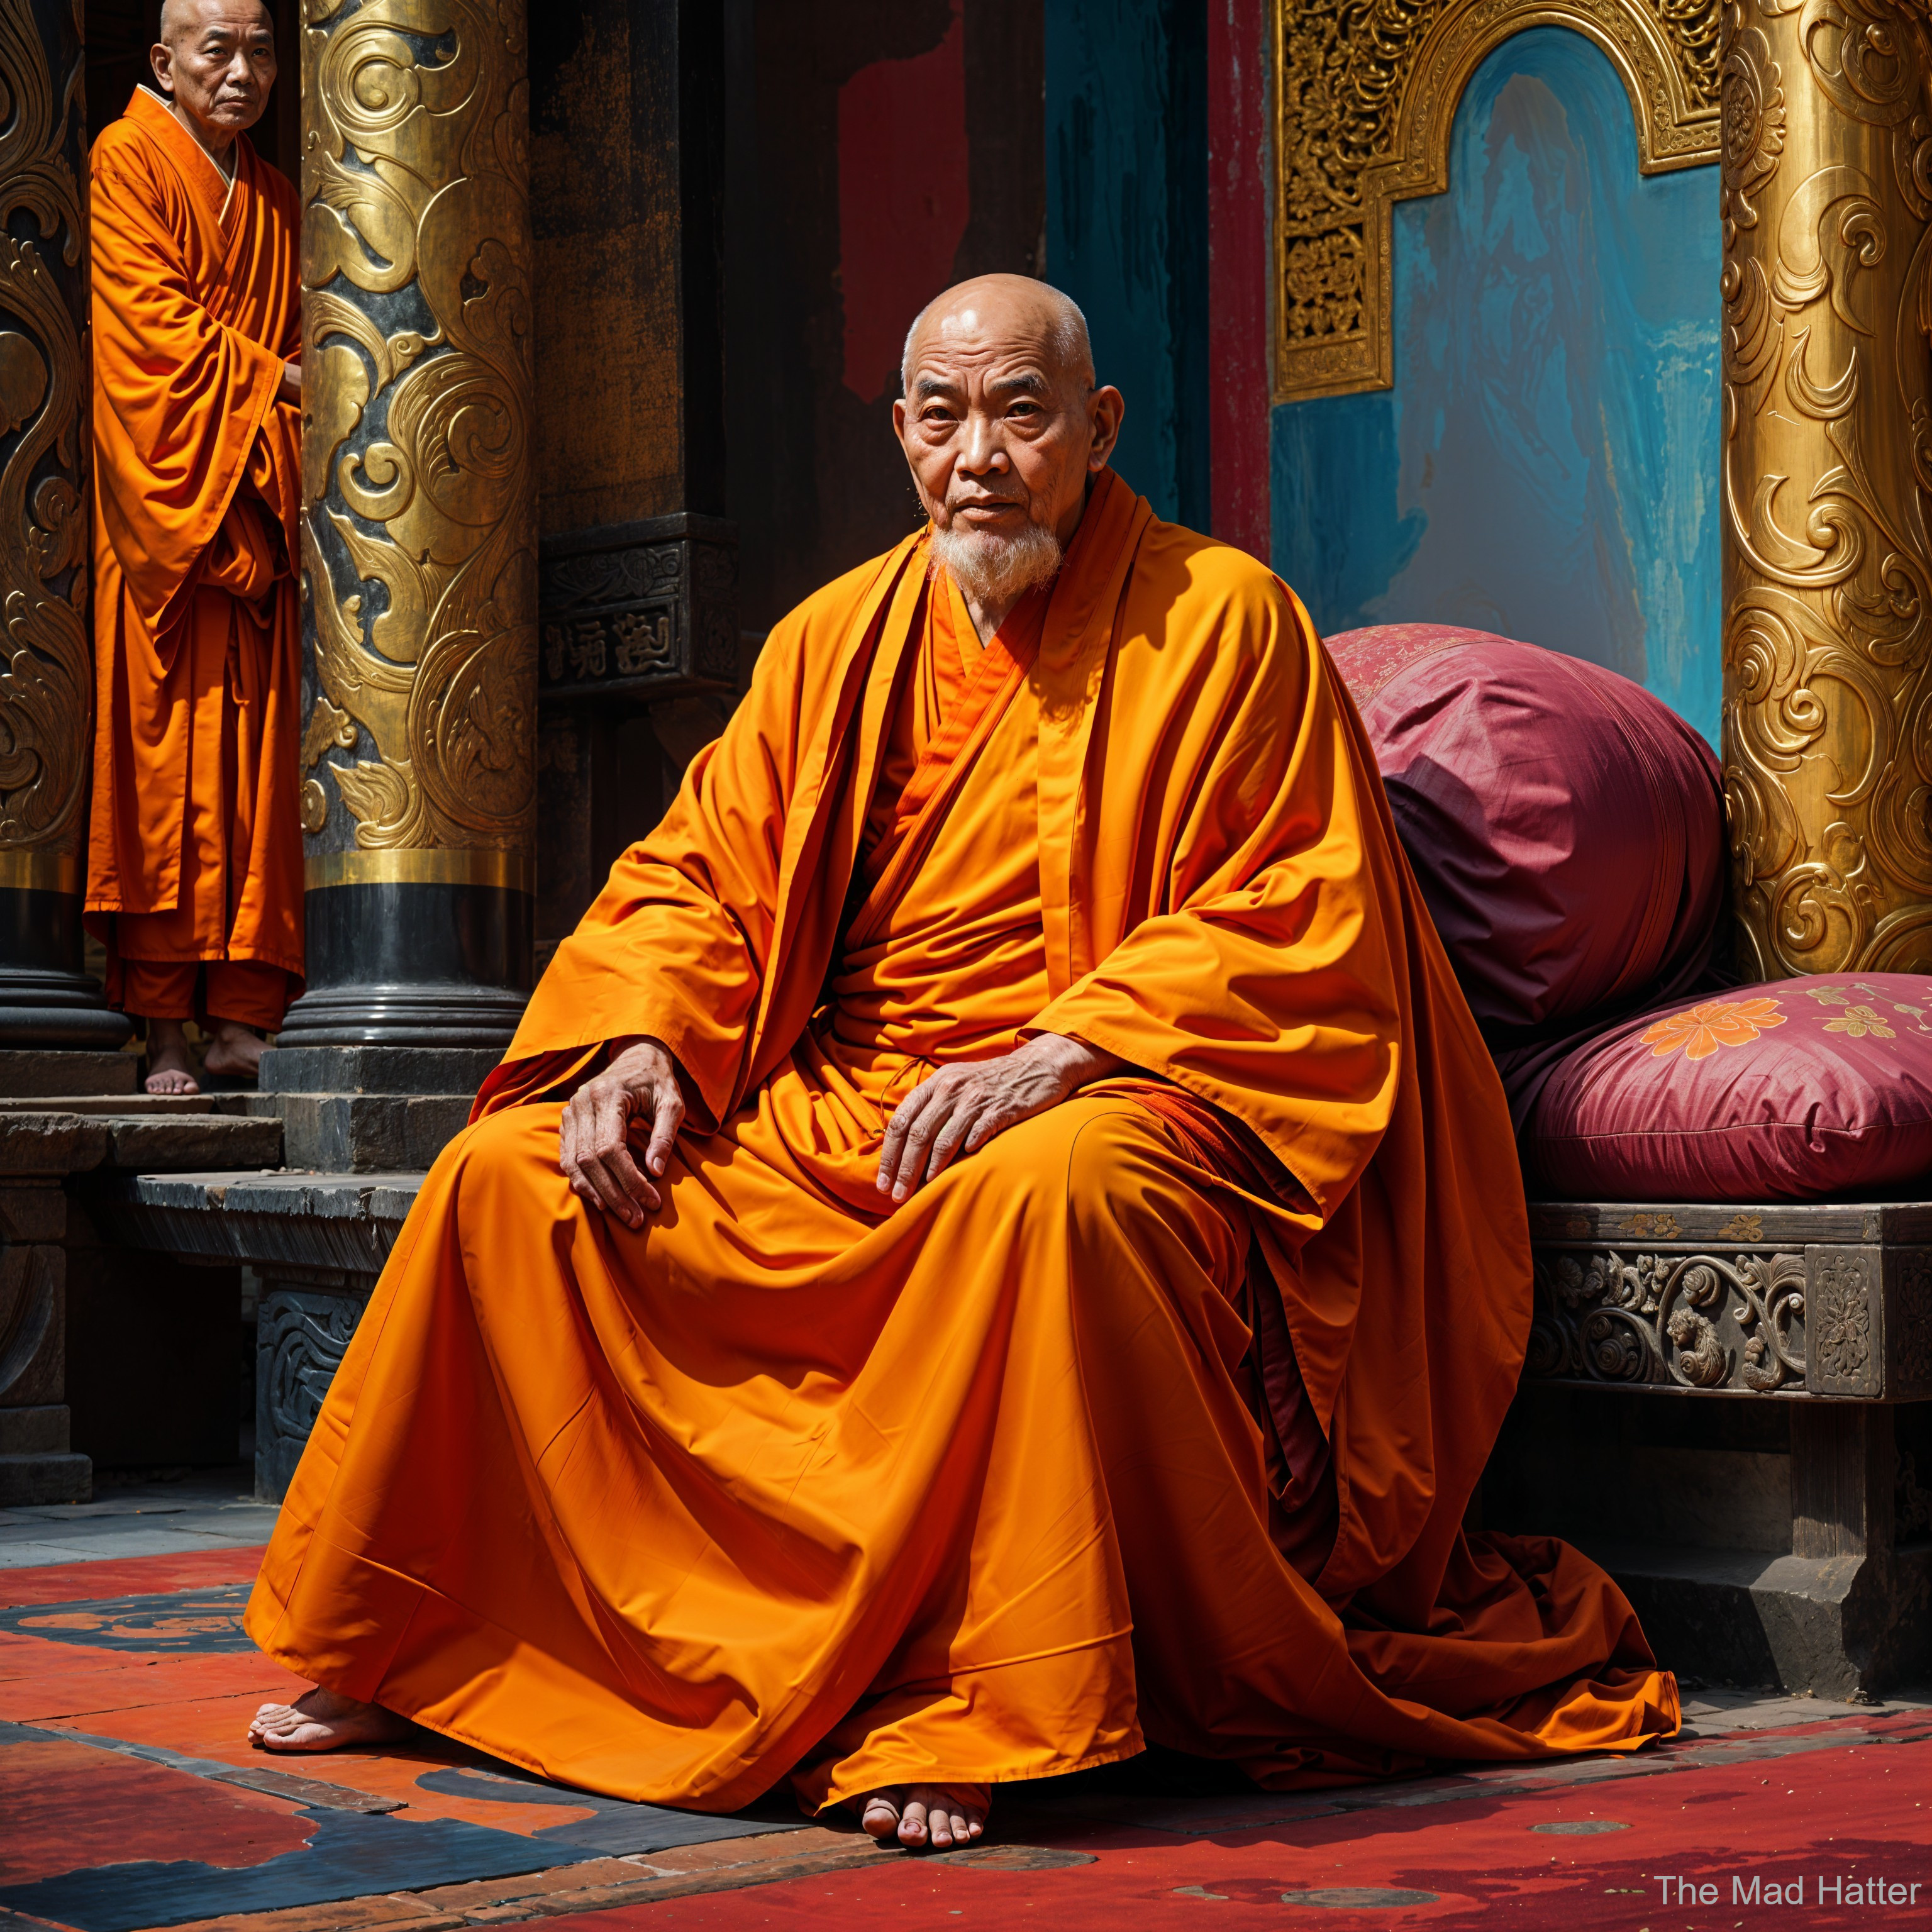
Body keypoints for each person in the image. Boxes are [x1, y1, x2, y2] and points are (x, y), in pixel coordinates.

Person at [245, 276, 1675, 1850]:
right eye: (943, 416)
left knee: (1052, 1200)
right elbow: (702, 875)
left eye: (1020, 413)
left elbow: (1297, 912)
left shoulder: (1224, 620)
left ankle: (980, 1699)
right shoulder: (833, 638)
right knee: (513, 1179)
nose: (979, 455)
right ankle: (425, 1644)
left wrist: (1072, 1045)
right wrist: (645, 1033)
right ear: (903, 435)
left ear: (1097, 428)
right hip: (850, 1108)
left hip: (1124, 1090)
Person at [86, 0, 303, 1096]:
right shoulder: (125, 160)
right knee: (161, 766)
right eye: (217, 50)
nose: (243, 72)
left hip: (249, 525)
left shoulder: (272, 197)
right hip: (165, 523)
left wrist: (281, 389)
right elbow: (149, 340)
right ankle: (164, 1033)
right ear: (162, 59)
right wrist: (277, 389)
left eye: (262, 52)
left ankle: (239, 1019)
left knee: (255, 772)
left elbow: (319, 335)